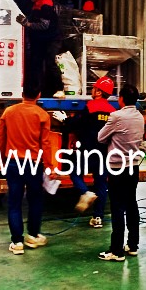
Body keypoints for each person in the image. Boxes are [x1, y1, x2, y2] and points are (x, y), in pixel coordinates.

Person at [0, 83, 54, 255]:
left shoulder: (9, 112)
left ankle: (17, 242)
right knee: (35, 200)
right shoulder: (42, 115)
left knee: (14, 202)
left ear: (22, 94)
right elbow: (45, 143)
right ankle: (33, 236)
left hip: (13, 163)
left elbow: (1, 138)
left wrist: (0, 159)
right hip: (34, 164)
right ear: (39, 95)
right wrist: (50, 166)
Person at [96, 84, 145, 261]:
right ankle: (132, 245)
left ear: (121, 99)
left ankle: (116, 251)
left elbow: (101, 137)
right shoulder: (139, 117)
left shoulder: (116, 116)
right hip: (133, 166)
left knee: (117, 206)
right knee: (131, 203)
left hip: (117, 168)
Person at [61, 76, 116, 227]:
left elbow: (77, 123)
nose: (92, 90)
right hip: (104, 153)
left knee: (74, 172)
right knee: (101, 184)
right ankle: (98, 218)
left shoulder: (90, 107)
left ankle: (85, 192)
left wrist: (64, 120)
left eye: (94, 88)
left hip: (88, 150)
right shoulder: (113, 111)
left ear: (99, 92)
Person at [18, 0, 65, 99]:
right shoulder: (36, 3)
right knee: (36, 63)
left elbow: (44, 25)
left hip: (52, 38)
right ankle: (37, 90)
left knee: (50, 62)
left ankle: (60, 89)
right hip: (42, 39)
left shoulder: (46, 4)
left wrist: (28, 24)